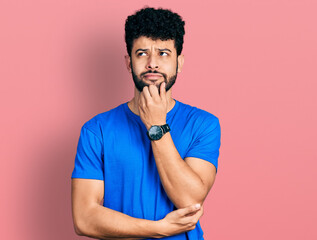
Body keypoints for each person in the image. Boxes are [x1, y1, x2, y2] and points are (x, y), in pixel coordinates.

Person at [71, 7, 221, 240]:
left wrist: (157, 125)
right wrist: (159, 229)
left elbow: (190, 200)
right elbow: (84, 218)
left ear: (179, 62)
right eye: (142, 53)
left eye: (163, 53)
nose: (152, 63)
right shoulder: (96, 130)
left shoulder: (204, 124)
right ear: (129, 62)